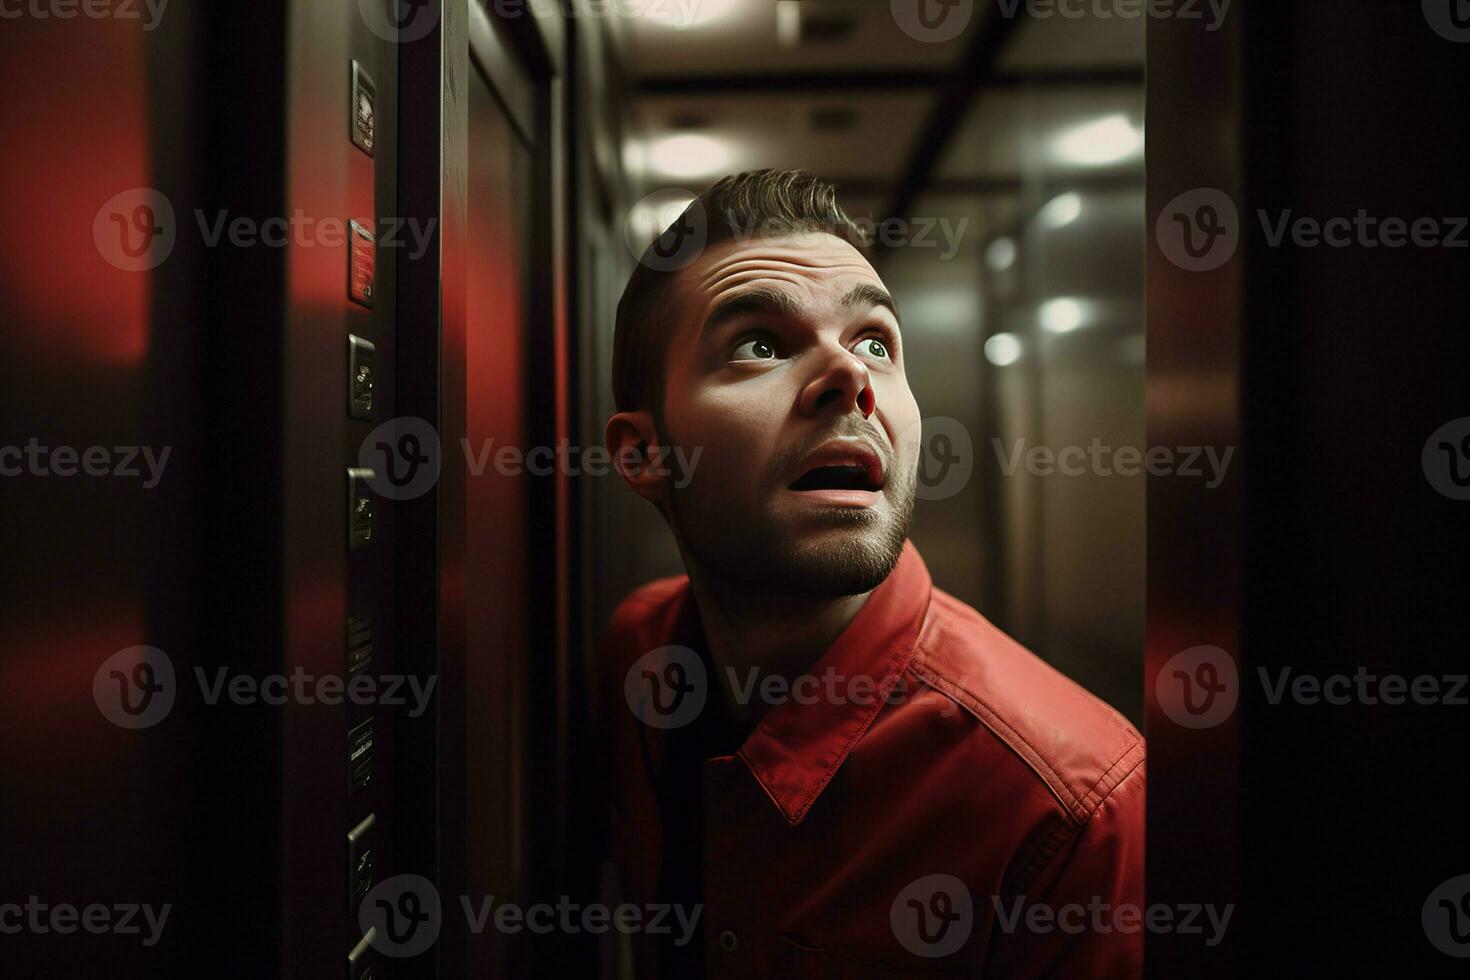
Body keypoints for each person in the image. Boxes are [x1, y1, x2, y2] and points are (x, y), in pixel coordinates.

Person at [595, 168, 1144, 977]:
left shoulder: (1067, 804)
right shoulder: (639, 652)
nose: (851, 377)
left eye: (875, 342)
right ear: (643, 452)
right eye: (759, 344)